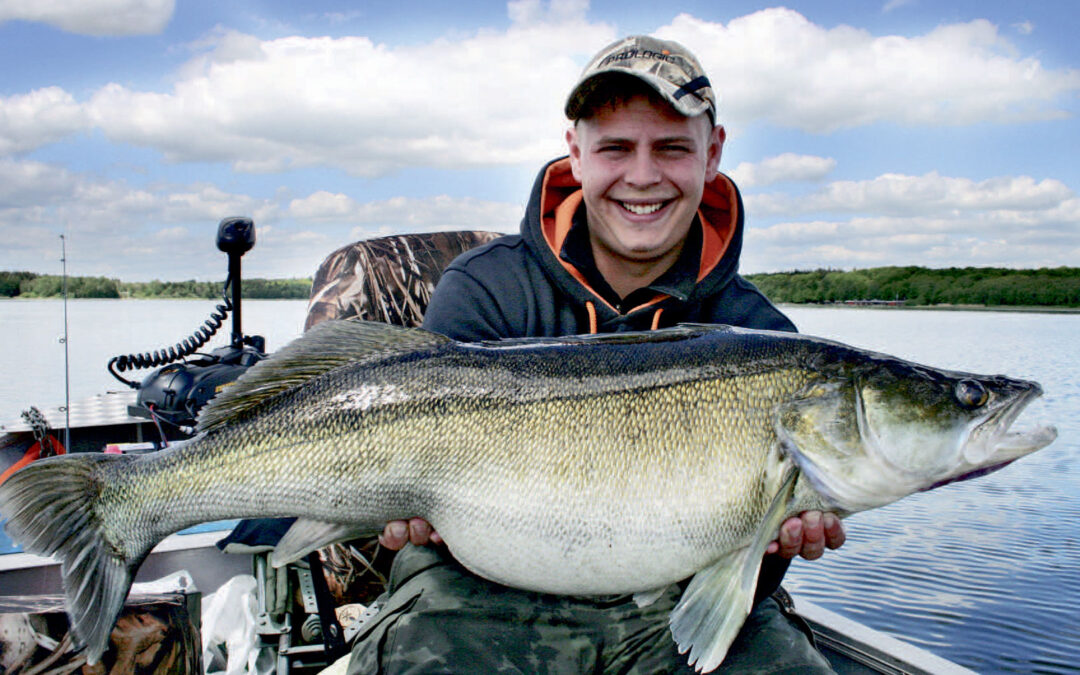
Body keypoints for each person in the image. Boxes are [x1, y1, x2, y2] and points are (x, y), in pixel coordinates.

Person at [347, 35, 845, 674]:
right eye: (615, 148)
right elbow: (417, 507)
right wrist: (402, 512)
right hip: (476, 597)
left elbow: (744, 566)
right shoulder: (484, 289)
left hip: (675, 606)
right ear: (576, 152)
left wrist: (775, 546)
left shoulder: (760, 334)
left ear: (712, 153)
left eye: (671, 148)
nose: (642, 176)